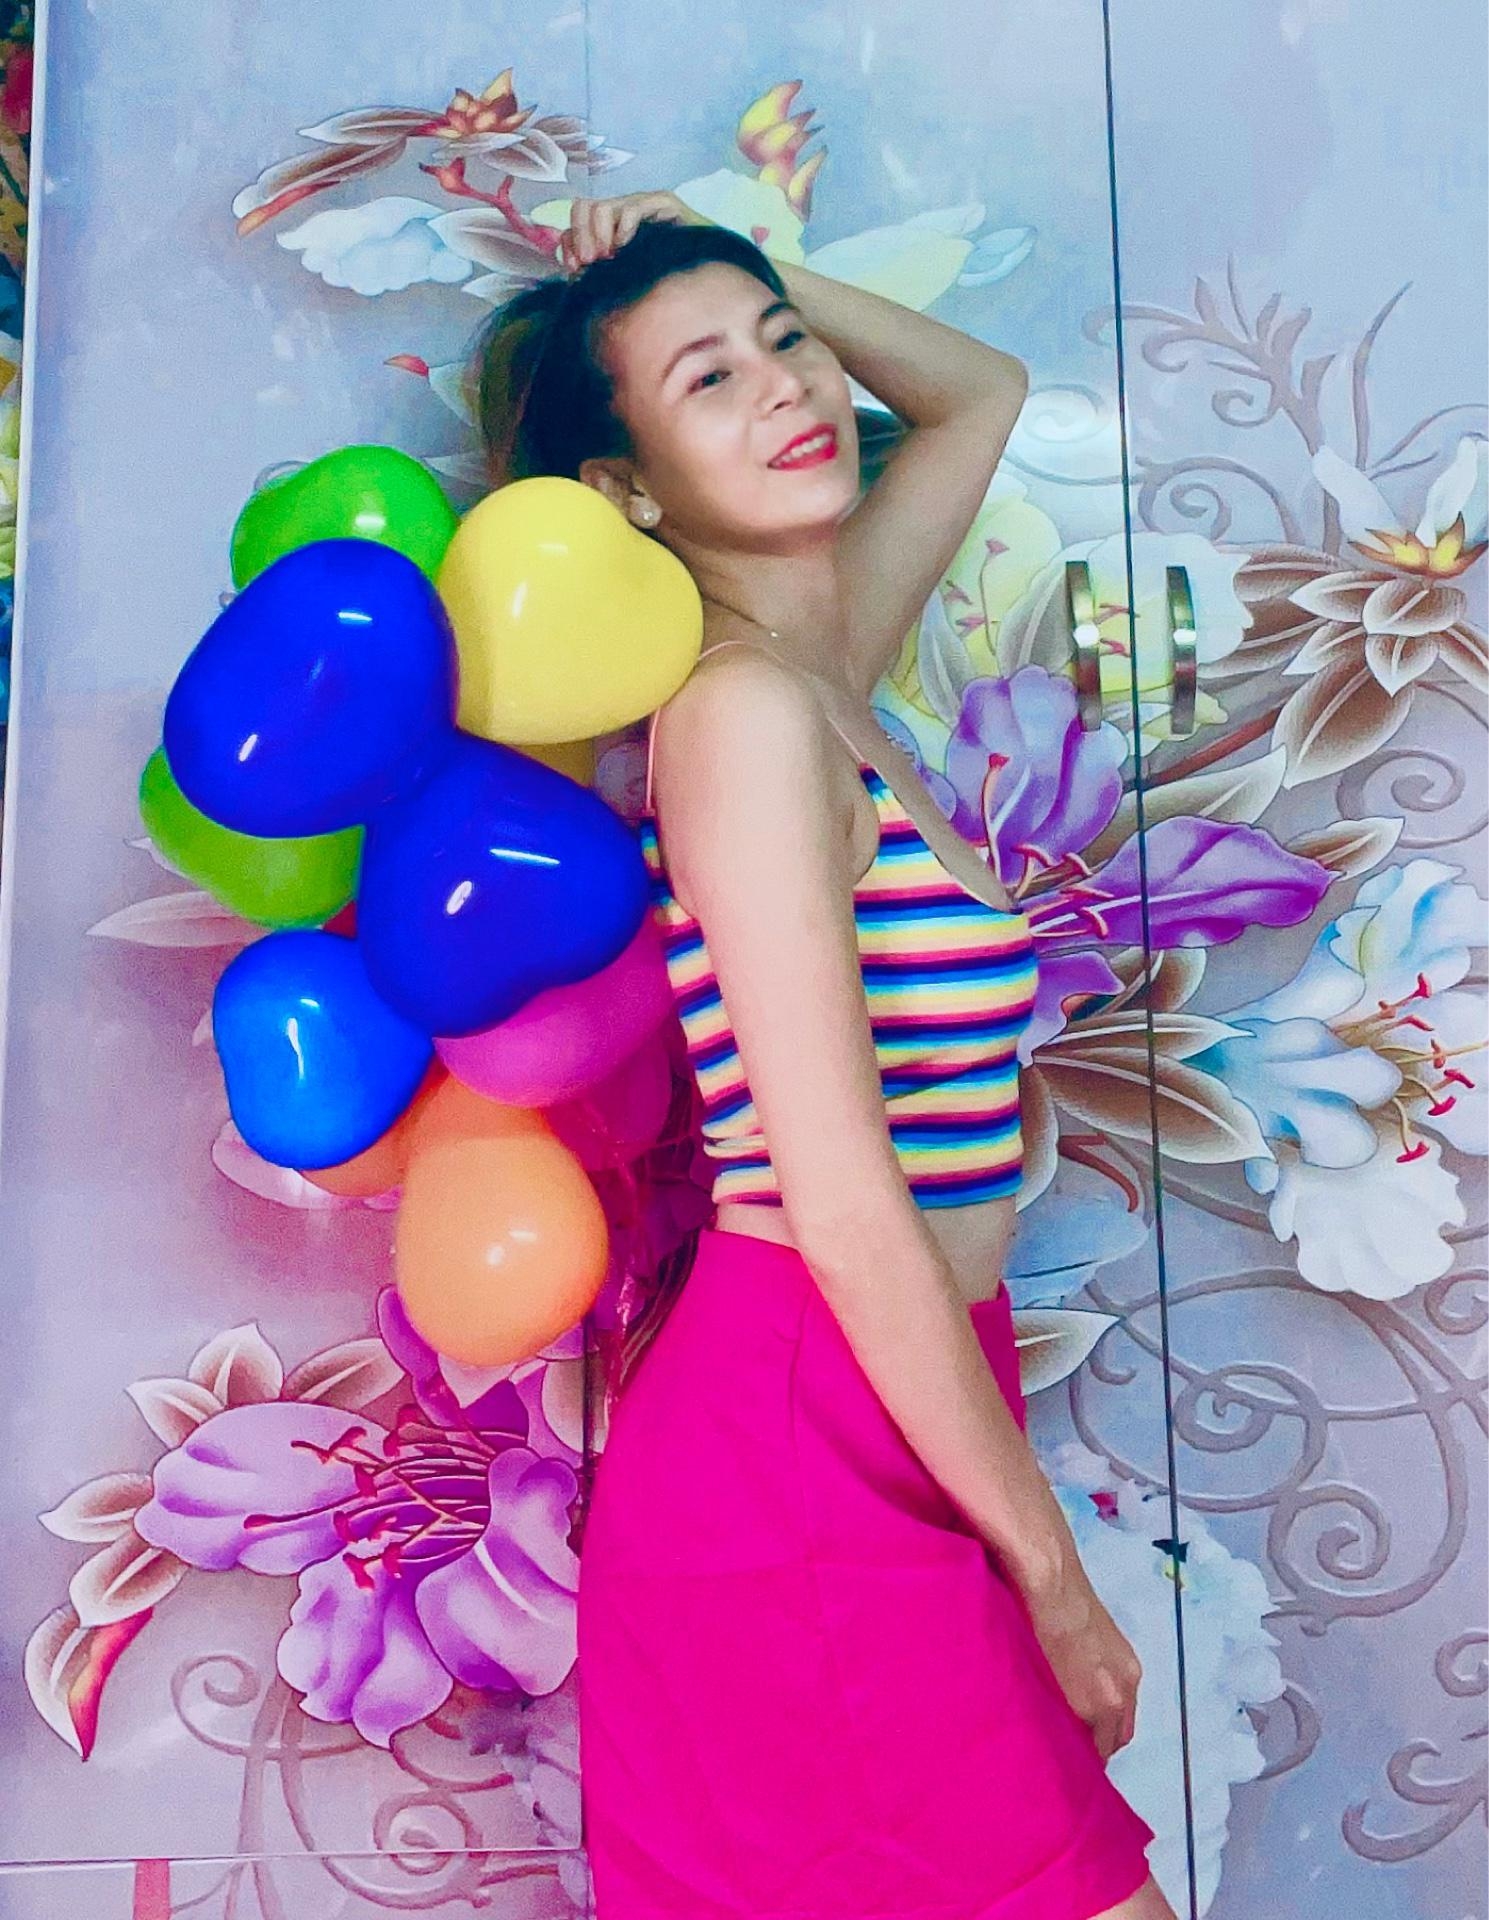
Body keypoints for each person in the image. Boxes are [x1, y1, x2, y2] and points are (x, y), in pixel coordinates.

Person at [475, 190, 1173, 1920]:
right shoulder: (740, 714)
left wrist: (730, 265)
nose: (786, 383)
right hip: (799, 1442)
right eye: (707, 379)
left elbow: (978, 392)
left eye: (784, 344)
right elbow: (841, 1196)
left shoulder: (820, 664)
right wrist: (1050, 1570)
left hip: (902, 1393)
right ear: (627, 486)